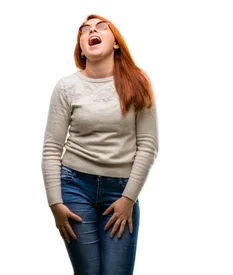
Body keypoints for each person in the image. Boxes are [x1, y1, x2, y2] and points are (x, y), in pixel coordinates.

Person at [41, 14, 158, 275]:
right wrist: (55, 203)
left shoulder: (138, 83)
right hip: (74, 188)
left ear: (116, 43)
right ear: (81, 47)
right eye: (84, 30)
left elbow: (148, 145)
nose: (92, 31)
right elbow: (51, 147)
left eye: (101, 27)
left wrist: (128, 198)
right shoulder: (67, 87)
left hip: (120, 191)